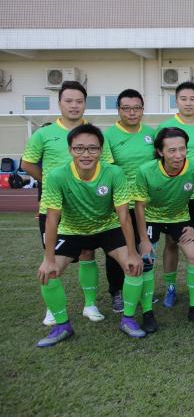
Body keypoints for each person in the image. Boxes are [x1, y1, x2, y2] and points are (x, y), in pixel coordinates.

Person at [35, 124, 142, 347]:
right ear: (70, 150)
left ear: (101, 150)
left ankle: (128, 320)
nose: (86, 154)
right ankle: (62, 326)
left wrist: (133, 253)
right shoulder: (57, 176)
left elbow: (124, 215)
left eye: (92, 148)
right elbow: (52, 219)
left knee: (133, 266)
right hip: (72, 230)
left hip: (107, 227)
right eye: (79, 148)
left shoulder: (114, 173)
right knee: (48, 273)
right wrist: (48, 258)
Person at [21, 81, 114, 325]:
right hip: (54, 207)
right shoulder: (44, 134)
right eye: (69, 101)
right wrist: (52, 183)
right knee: (51, 257)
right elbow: (27, 164)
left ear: (85, 104)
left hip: (87, 207)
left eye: (79, 101)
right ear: (59, 103)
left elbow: (107, 166)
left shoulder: (95, 134)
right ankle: (53, 308)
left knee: (87, 252)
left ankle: (90, 305)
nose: (74, 105)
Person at [134, 128, 194, 330]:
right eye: (172, 150)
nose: (178, 155)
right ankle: (148, 313)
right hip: (151, 217)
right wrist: (143, 239)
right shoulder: (145, 171)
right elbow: (139, 207)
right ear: (160, 152)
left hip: (179, 217)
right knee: (146, 259)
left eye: (182, 149)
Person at [157, 81, 194, 308]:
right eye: (184, 99)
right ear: (176, 101)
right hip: (174, 195)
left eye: (192, 99)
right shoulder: (166, 126)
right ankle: (170, 287)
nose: (188, 103)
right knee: (172, 242)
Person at [104, 89, 157, 322]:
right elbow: (107, 170)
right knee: (118, 248)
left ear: (143, 109)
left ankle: (143, 288)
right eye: (126, 108)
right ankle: (116, 291)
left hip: (145, 202)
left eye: (136, 108)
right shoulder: (109, 136)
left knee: (144, 246)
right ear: (119, 110)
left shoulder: (151, 134)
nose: (132, 113)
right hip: (120, 202)